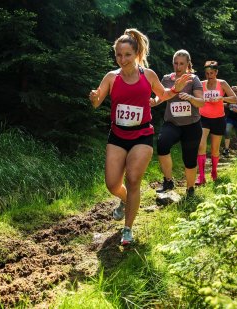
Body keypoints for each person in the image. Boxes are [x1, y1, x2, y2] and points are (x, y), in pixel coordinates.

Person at [89, 28, 191, 246]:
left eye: (127, 54)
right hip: (117, 135)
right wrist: (94, 98)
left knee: (133, 179)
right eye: (118, 55)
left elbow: (162, 95)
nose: (122, 59)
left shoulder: (148, 75)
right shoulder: (111, 77)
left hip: (142, 135)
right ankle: (125, 201)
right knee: (112, 184)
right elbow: (97, 102)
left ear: (136, 54)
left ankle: (128, 229)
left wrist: (174, 90)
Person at [150, 49, 204, 196]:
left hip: (191, 125)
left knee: (189, 158)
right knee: (162, 144)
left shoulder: (194, 79)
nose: (178, 66)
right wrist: (153, 102)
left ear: (187, 64)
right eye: (175, 63)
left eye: (181, 64)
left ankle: (190, 189)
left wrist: (190, 98)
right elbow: (159, 97)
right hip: (172, 123)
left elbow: (201, 103)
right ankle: (168, 181)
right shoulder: (167, 79)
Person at [196, 61, 237, 185]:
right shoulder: (201, 84)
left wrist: (221, 98)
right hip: (203, 118)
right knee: (201, 145)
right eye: (207, 73)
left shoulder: (222, 83)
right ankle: (201, 177)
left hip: (218, 119)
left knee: (215, 149)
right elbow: (195, 98)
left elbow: (234, 98)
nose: (209, 75)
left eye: (212, 73)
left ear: (216, 72)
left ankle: (214, 171)